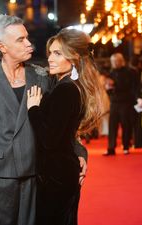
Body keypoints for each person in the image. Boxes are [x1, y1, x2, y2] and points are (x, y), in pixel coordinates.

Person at [0, 15, 87, 225]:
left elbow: (61, 124)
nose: (29, 43)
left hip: (37, 177)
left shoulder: (43, 77)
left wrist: (79, 152)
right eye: (20, 40)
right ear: (2, 46)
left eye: (27, 38)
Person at [26, 28, 104, 225]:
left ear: (74, 57)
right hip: (61, 173)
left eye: (58, 53)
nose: (50, 58)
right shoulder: (68, 85)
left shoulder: (66, 90)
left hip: (56, 177)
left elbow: (49, 139)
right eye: (50, 53)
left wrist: (33, 109)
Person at [103, 53, 138, 156]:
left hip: (125, 102)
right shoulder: (112, 72)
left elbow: (129, 87)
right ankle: (111, 148)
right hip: (114, 102)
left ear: (121, 61)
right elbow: (109, 89)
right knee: (112, 126)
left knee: (125, 125)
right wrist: (108, 88)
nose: (114, 63)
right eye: (112, 61)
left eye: (116, 61)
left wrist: (114, 85)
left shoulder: (129, 72)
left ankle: (126, 146)